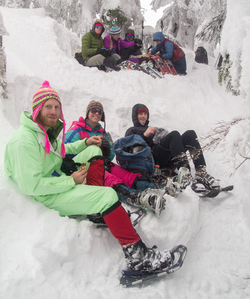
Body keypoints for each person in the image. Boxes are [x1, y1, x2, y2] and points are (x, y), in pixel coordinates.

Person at [4, 81, 178, 273]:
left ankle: (97, 210)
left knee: (94, 150)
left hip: (55, 181)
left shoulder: (43, 133)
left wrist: (86, 142)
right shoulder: (24, 141)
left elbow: (62, 151)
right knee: (108, 196)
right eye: (48, 107)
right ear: (37, 109)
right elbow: (31, 186)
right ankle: (139, 258)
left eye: (56, 107)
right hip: (47, 193)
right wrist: (70, 180)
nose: (53, 111)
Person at [65, 100, 166, 214]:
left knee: (127, 176)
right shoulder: (77, 129)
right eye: (94, 110)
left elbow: (111, 155)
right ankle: (136, 198)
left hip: (104, 164)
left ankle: (157, 186)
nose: (97, 113)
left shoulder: (102, 132)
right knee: (111, 180)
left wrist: (107, 149)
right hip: (84, 167)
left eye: (100, 112)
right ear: (88, 112)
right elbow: (65, 151)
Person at [125, 103, 221, 194]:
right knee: (174, 135)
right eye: (140, 113)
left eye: (145, 114)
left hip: (166, 156)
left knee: (190, 134)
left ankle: (201, 172)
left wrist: (161, 135)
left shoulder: (151, 128)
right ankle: (185, 177)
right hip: (152, 159)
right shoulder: (131, 130)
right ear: (135, 116)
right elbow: (131, 148)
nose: (143, 116)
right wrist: (145, 135)